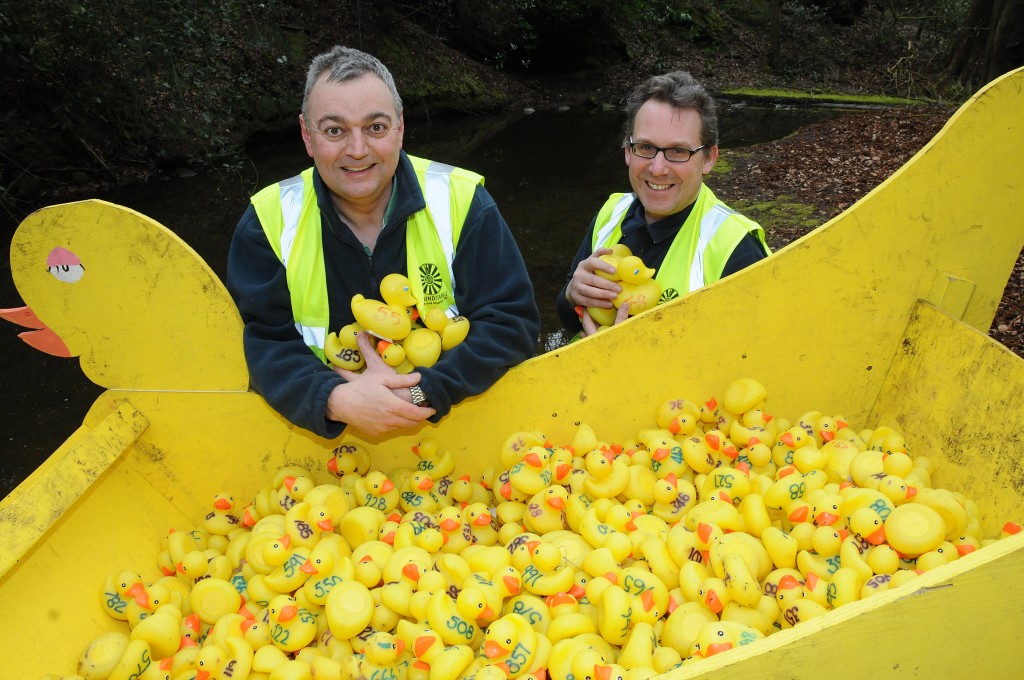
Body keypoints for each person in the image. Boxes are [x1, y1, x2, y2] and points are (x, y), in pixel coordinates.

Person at [227, 45, 540, 439]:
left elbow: (512, 323)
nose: (357, 150)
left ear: (400, 127)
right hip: (326, 449)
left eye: (375, 127)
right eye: (335, 130)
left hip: (455, 435)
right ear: (307, 135)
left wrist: (424, 392)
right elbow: (265, 342)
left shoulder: (462, 201)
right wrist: (334, 399)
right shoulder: (267, 222)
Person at [556, 71, 770, 337]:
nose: (658, 169)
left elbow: (753, 359)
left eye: (678, 151)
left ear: (708, 159)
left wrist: (628, 354)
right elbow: (568, 318)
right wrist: (571, 294)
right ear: (627, 150)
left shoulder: (735, 248)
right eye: (645, 147)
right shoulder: (612, 212)